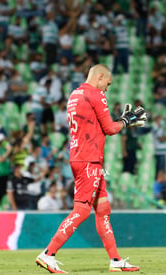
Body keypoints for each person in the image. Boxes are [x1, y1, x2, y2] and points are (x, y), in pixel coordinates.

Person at [36, 64, 145, 273]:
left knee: (103, 210)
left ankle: (115, 260)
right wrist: (127, 120)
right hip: (89, 160)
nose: (107, 88)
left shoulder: (74, 95)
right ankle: (48, 254)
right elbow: (110, 128)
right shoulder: (96, 95)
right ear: (100, 76)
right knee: (82, 210)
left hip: (79, 157)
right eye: (107, 83)